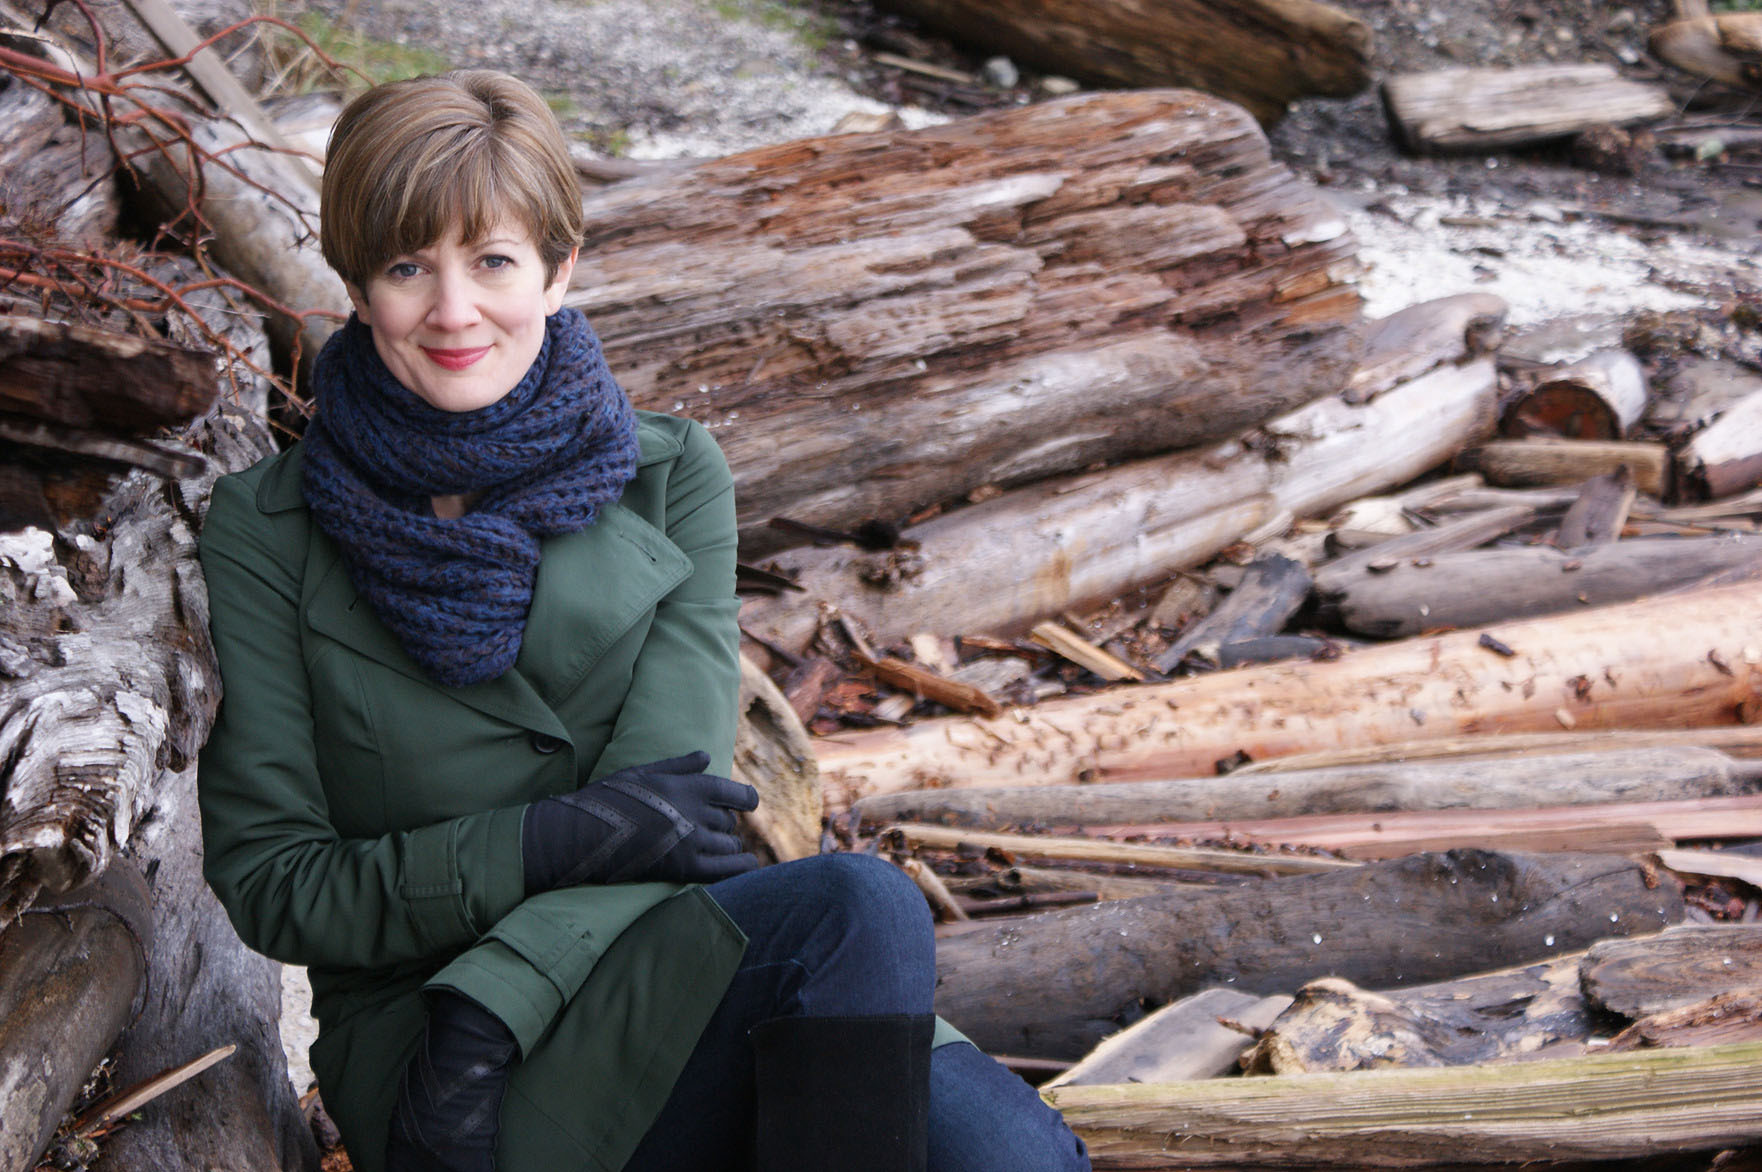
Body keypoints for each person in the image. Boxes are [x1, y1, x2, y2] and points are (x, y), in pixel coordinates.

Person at [196, 69, 1091, 1172]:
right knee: (857, 905)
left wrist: (497, 998)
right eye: (407, 267)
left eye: (493, 261)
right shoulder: (268, 528)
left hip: (620, 966)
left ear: (559, 270)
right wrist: (537, 845)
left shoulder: (671, 477)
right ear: (355, 282)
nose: (453, 310)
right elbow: (276, 882)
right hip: (430, 1054)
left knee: (1015, 1158)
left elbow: (678, 817)